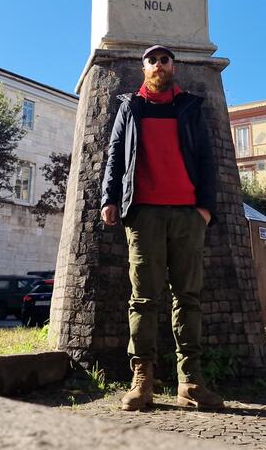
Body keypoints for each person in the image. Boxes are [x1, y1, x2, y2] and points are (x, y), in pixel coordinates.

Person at [101, 44, 224, 412]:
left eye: (164, 60)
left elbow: (206, 156)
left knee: (188, 298)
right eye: (151, 60)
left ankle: (191, 382)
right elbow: (115, 153)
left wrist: (205, 208)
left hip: (187, 213)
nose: (158, 65)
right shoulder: (130, 106)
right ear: (143, 68)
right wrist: (109, 199)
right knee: (144, 299)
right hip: (144, 213)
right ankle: (143, 381)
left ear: (173, 66)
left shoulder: (190, 105)